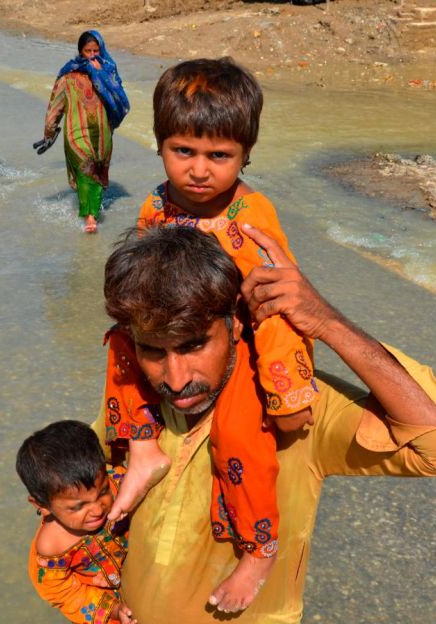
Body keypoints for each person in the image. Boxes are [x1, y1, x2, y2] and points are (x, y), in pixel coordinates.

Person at [94, 225, 436, 622]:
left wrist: (327, 323)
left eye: (193, 345)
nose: (175, 380)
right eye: (152, 351)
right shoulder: (137, 399)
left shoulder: (299, 411)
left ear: (235, 323)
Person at [101, 58, 315, 612]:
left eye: (219, 156)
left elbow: (279, 313)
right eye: (183, 152)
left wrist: (286, 393)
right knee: (120, 345)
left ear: (246, 154)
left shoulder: (252, 220)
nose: (199, 170)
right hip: (171, 334)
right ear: (158, 145)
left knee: (241, 438)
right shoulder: (155, 207)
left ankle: (259, 547)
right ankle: (143, 449)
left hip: (239, 345)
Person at [16, 420, 138, 624]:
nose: (98, 509)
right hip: (105, 601)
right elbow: (63, 593)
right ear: (42, 505)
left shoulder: (120, 481)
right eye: (77, 507)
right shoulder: (52, 547)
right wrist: (112, 610)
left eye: (103, 492)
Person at [39, 30, 130, 233]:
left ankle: (92, 210)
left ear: (102, 50)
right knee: (84, 167)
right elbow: (55, 107)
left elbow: (120, 100)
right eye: (87, 51)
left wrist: (101, 75)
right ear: (80, 52)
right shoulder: (68, 76)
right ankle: (90, 216)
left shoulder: (109, 73)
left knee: (97, 172)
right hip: (75, 133)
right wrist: (48, 132)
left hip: (102, 134)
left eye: (96, 50)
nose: (92, 55)